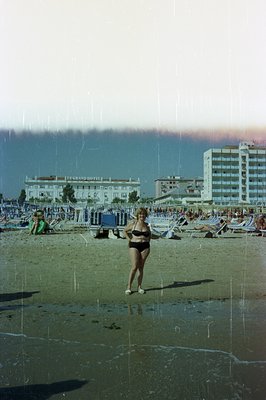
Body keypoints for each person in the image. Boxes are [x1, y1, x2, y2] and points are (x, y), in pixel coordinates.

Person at [123, 207, 151, 295]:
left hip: (145, 246)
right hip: (134, 245)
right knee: (134, 266)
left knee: (141, 267)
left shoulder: (147, 225)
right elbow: (125, 231)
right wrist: (129, 239)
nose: (142, 215)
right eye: (140, 214)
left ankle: (139, 287)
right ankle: (129, 287)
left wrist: (148, 241)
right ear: (138, 215)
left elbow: (149, 234)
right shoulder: (133, 224)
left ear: (145, 215)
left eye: (143, 214)